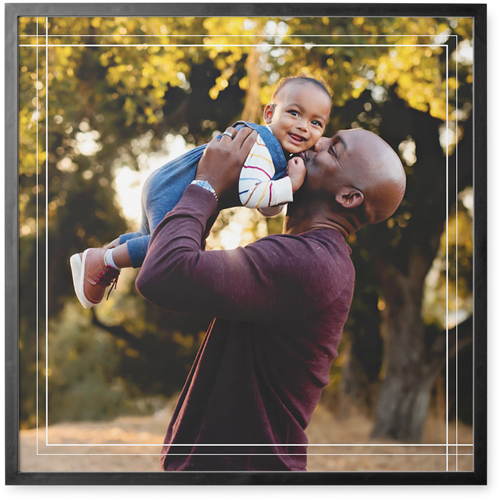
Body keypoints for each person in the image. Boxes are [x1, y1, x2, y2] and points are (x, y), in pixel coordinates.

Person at [135, 125, 406, 471]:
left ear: (349, 198)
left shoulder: (307, 263)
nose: (315, 141)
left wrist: (207, 183)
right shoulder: (312, 257)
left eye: (333, 148)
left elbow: (165, 274)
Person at [69, 76, 332, 309]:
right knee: (169, 245)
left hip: (168, 182)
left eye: (316, 123)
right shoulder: (261, 145)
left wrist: (284, 182)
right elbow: (254, 195)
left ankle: (107, 254)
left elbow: (266, 207)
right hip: (177, 187)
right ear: (269, 113)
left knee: (147, 237)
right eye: (295, 113)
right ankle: (102, 260)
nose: (303, 126)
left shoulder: (277, 156)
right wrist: (292, 185)